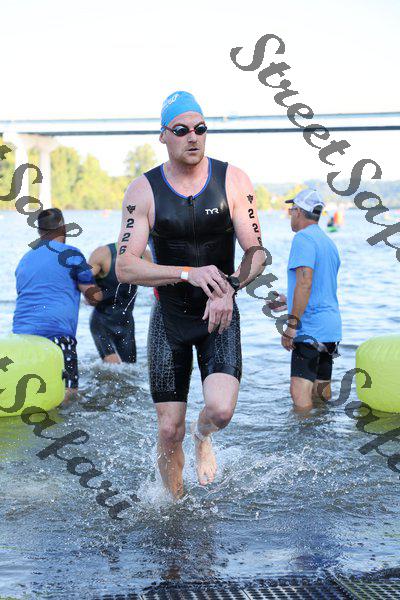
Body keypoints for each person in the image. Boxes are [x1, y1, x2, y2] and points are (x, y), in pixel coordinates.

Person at [116, 91, 265, 498]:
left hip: (220, 313)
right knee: (168, 430)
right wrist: (187, 274)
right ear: (163, 136)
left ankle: (203, 438)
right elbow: (125, 266)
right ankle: (176, 506)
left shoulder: (233, 180)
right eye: (181, 130)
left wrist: (230, 288)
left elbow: (257, 252)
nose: (193, 136)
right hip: (171, 319)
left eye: (200, 128)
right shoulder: (143, 190)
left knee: (220, 410)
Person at [13, 208, 101, 402]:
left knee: (30, 395)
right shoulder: (72, 255)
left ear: (39, 231)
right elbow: (93, 298)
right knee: (68, 394)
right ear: (63, 228)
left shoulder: (25, 259)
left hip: (21, 339)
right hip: (56, 335)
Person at [273, 189, 342, 412]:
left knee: (299, 394)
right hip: (330, 328)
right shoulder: (328, 242)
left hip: (310, 327)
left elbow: (305, 282)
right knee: (321, 395)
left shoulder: (303, 238)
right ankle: (324, 430)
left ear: (299, 212)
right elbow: (321, 287)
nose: (290, 214)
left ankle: (304, 435)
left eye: (291, 209)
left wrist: (292, 326)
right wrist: (289, 300)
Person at [88, 243, 151, 363]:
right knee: (113, 368)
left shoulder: (145, 256)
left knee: (129, 369)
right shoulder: (102, 254)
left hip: (127, 323)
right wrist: (90, 297)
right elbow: (82, 278)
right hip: (102, 322)